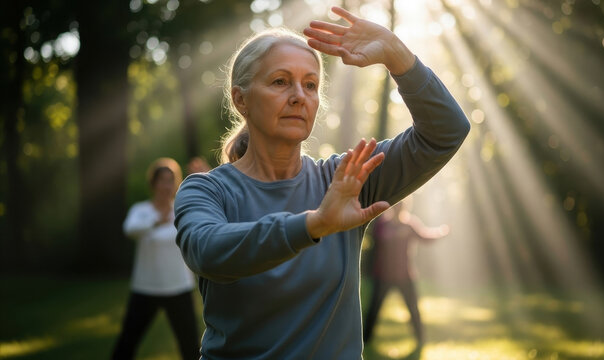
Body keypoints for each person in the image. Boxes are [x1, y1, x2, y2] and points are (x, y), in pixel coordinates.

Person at [174, 6, 470, 359]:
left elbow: (446, 131)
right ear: (241, 99)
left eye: (310, 84)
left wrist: (396, 54)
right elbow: (208, 251)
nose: (299, 95)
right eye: (281, 81)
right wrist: (314, 224)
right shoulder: (205, 190)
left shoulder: (345, 178)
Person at [112, 158, 199, 360]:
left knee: (191, 348)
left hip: (179, 287)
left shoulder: (182, 210)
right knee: (126, 344)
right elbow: (130, 229)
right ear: (153, 184)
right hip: (146, 288)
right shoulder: (141, 211)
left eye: (171, 180)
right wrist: (156, 221)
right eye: (162, 180)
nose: (166, 186)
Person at [363, 200, 450, 347]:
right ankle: (364, 339)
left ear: (405, 207)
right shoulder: (381, 225)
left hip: (405, 276)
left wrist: (442, 232)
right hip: (383, 276)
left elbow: (425, 237)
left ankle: (420, 340)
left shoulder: (409, 224)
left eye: (401, 206)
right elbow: (371, 239)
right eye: (396, 206)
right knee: (373, 310)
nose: (398, 208)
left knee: (413, 310)